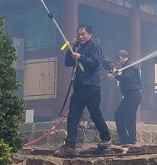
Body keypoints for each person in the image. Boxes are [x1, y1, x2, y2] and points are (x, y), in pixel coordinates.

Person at [55, 25, 115, 157]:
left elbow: (94, 64)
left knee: (95, 114)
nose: (80, 37)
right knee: (73, 116)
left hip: (91, 85)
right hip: (79, 86)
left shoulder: (95, 47)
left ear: (90, 34)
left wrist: (80, 57)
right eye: (78, 35)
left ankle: (106, 137)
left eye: (83, 34)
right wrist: (71, 48)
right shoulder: (77, 47)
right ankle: (70, 145)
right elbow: (67, 62)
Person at [112, 49, 142, 145]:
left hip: (133, 95)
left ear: (120, 58)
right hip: (130, 96)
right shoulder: (127, 67)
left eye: (118, 59)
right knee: (119, 115)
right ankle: (124, 138)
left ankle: (131, 139)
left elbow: (127, 78)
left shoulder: (129, 66)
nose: (118, 62)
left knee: (129, 116)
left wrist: (115, 76)